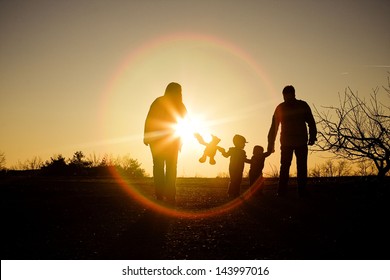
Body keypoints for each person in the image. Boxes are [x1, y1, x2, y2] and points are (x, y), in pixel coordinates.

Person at [267, 85, 317, 197]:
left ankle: (298, 191)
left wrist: (312, 136)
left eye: (288, 95)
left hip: (299, 142)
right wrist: (271, 143)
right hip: (288, 142)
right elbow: (274, 127)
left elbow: (311, 122)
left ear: (293, 94)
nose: (287, 98)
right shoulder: (282, 107)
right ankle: (283, 191)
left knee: (299, 167)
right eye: (286, 96)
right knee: (286, 166)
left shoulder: (302, 105)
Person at [144, 82, 187, 204]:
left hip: (166, 140)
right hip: (168, 140)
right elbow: (150, 118)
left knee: (161, 167)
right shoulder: (179, 105)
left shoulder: (159, 101)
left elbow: (149, 119)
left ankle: (162, 194)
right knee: (169, 167)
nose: (180, 93)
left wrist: (146, 136)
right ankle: (168, 195)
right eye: (179, 91)